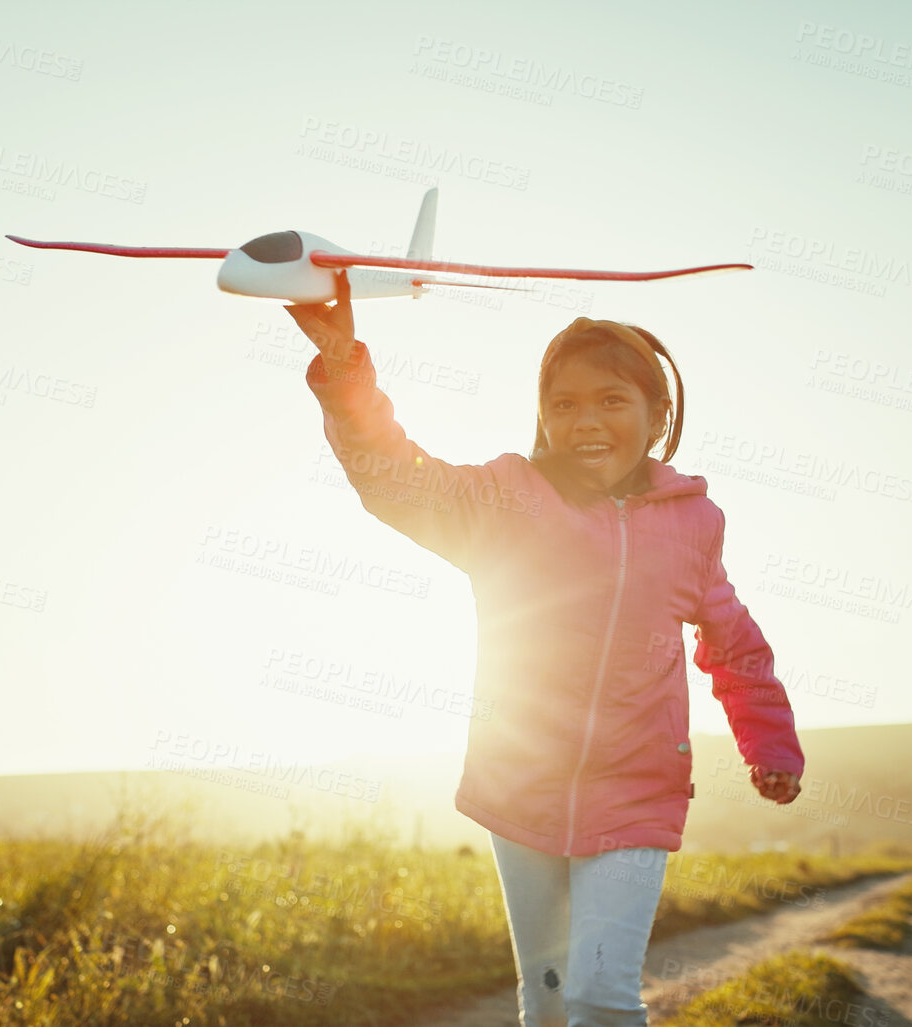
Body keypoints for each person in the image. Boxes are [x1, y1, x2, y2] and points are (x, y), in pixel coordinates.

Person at [286, 270, 804, 1027]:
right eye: (563, 403)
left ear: (657, 416)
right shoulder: (507, 498)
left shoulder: (693, 524)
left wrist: (772, 744)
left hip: (635, 793)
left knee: (600, 995)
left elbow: (736, 647)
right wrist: (342, 365)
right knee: (551, 1000)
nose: (584, 420)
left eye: (610, 399)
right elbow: (392, 477)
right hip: (518, 784)